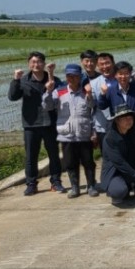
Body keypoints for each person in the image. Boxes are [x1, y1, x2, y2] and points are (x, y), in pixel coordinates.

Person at [8, 51, 65, 195]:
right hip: (30, 124)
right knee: (31, 156)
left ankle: (56, 182)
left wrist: (51, 74)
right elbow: (12, 97)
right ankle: (31, 184)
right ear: (29, 64)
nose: (36, 64)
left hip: (50, 123)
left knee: (53, 154)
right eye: (33, 62)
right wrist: (15, 79)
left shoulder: (53, 79)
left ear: (44, 64)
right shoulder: (23, 80)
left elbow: (62, 95)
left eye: (39, 62)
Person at [44, 64, 97, 198]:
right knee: (70, 162)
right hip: (67, 135)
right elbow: (48, 106)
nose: (71, 78)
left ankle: (91, 185)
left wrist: (90, 94)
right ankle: (75, 187)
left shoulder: (86, 91)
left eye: (74, 76)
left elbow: (93, 109)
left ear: (80, 77)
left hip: (84, 133)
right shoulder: (59, 91)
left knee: (88, 162)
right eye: (69, 76)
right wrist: (48, 92)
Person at [99, 104, 135, 208]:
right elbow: (119, 162)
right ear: (117, 120)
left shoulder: (133, 133)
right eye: (125, 118)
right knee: (119, 191)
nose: (129, 120)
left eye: (130, 118)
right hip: (115, 173)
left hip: (132, 169)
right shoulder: (110, 138)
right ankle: (119, 189)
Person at [98, 61, 135, 135]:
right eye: (120, 74)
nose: (123, 76)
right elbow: (102, 106)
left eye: (126, 73)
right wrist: (103, 94)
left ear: (130, 74)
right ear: (115, 75)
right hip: (118, 129)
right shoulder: (110, 89)